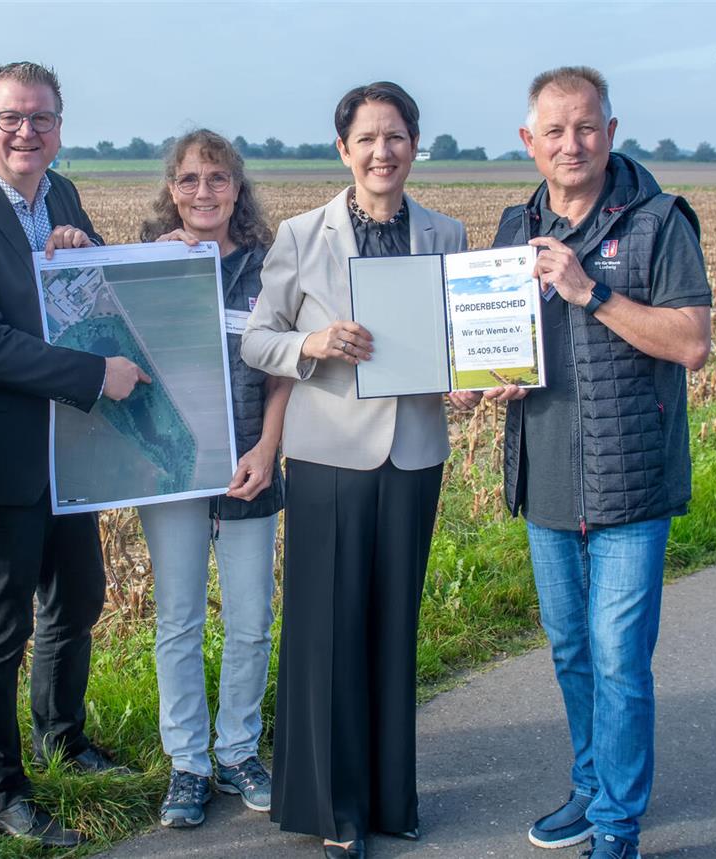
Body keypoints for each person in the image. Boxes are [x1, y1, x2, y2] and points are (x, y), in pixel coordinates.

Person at [0, 62, 149, 848]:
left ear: (59, 126)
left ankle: (63, 737)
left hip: (66, 453)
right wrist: (94, 375)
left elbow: (93, 291)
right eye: (10, 118)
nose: (25, 132)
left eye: (41, 119)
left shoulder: (63, 193)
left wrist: (83, 249)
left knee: (78, 598)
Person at [241, 82, 476, 859]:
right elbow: (257, 339)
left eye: (397, 136)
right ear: (343, 149)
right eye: (368, 138)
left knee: (393, 628)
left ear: (416, 146)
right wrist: (309, 345)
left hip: (414, 453)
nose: (383, 151)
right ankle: (332, 809)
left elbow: (466, 336)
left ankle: (390, 799)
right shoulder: (302, 234)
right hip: (329, 456)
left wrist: (483, 371)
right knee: (328, 630)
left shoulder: (447, 231)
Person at [484, 66, 711, 859]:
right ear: (529, 142)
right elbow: (500, 346)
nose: (571, 143)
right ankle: (589, 783)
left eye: (586, 127)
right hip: (544, 477)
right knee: (572, 649)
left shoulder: (658, 222)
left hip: (630, 481)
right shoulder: (515, 227)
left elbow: (691, 342)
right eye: (555, 131)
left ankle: (618, 822)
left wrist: (590, 293)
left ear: (611, 132)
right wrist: (490, 379)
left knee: (619, 660)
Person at [137, 130, 292, 829]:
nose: (205, 192)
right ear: (172, 188)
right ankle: (188, 763)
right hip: (172, 470)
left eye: (219, 178)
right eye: (191, 179)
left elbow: (283, 368)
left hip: (247, 469)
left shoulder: (268, 269)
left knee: (252, 618)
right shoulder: (149, 265)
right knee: (178, 619)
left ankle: (237, 748)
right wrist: (138, 271)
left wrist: (267, 448)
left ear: (238, 188)